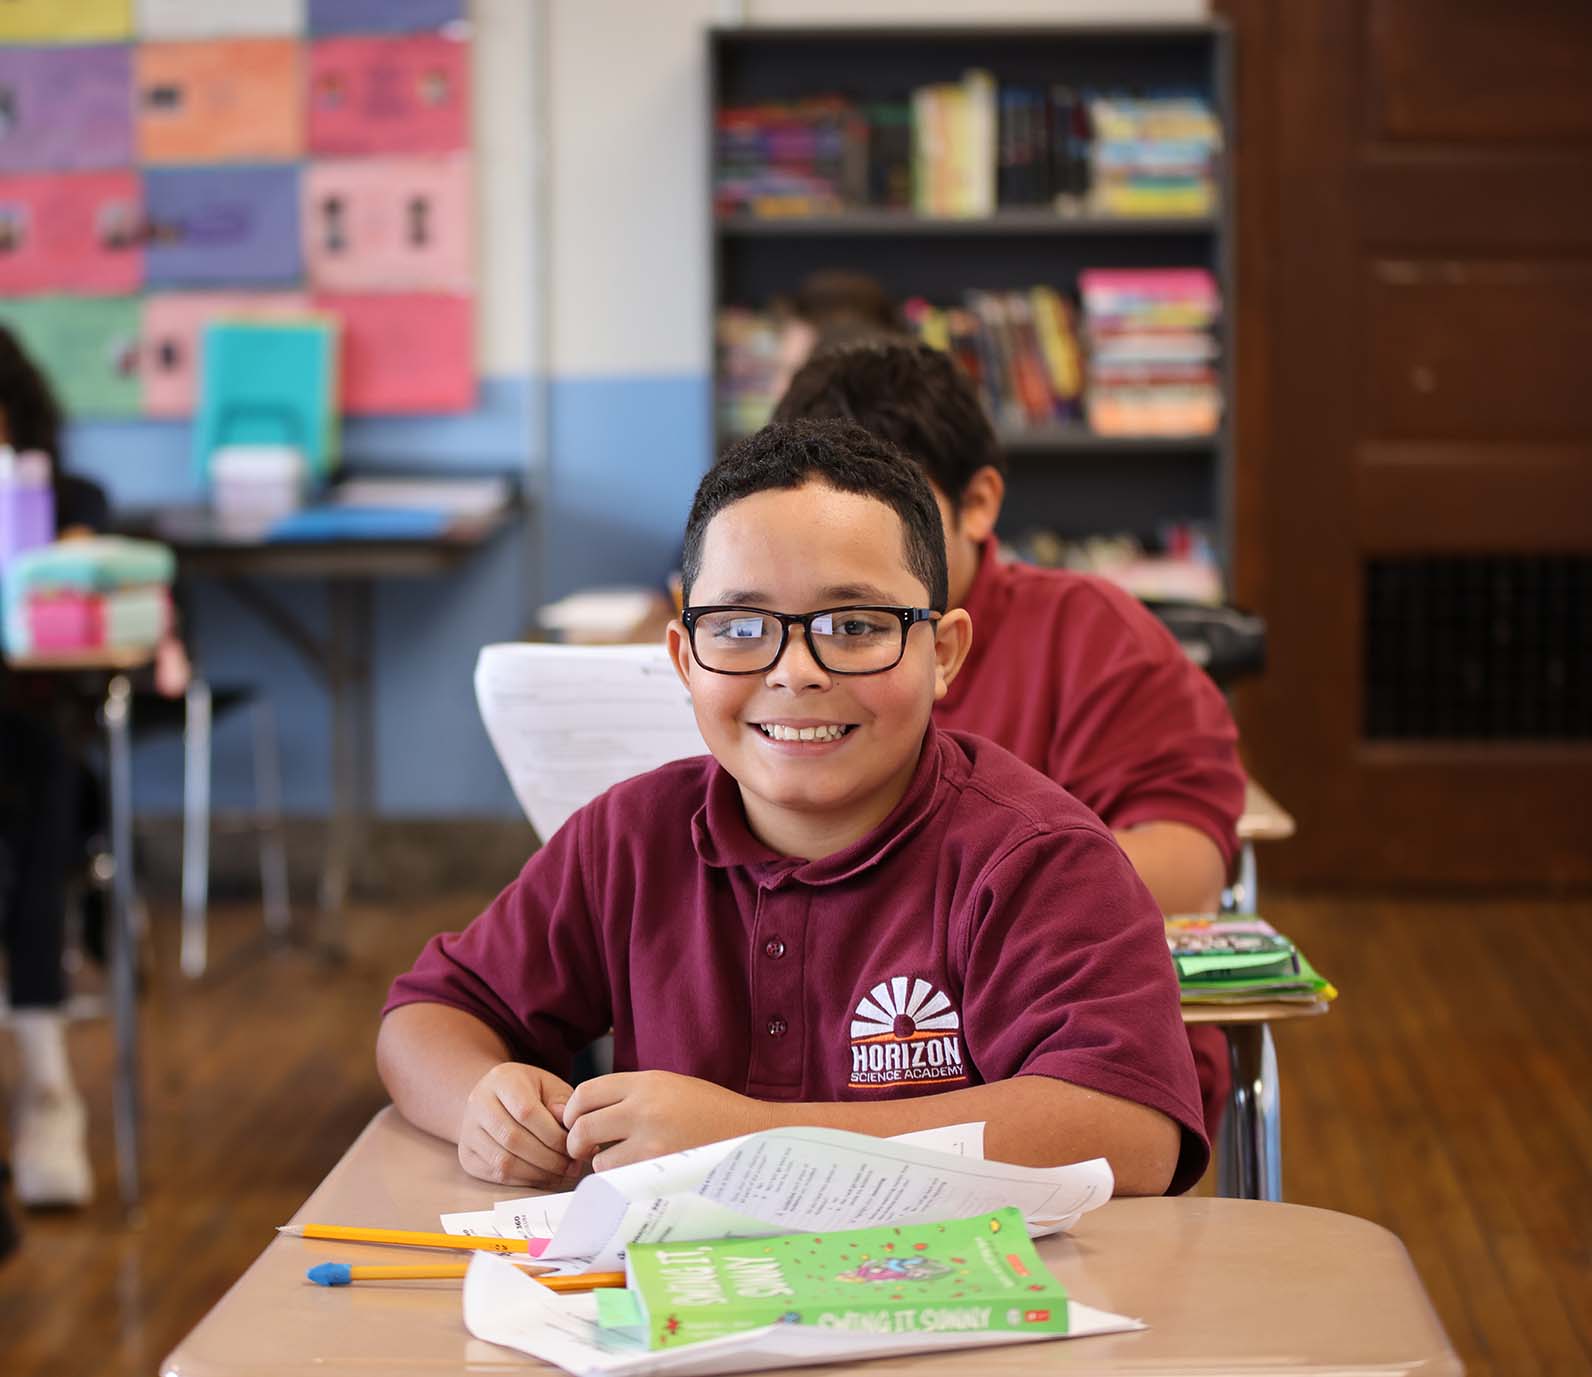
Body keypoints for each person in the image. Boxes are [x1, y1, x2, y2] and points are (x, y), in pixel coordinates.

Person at [380, 419, 1208, 1197]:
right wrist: (482, 1103)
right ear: (683, 656)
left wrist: (754, 1139)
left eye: (854, 624)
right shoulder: (626, 839)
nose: (796, 670)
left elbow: (1128, 1131)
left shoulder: (1037, 857)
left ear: (944, 651)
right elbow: (426, 1017)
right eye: (740, 627)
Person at [772, 339, 1246, 1136]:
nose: (843, 552)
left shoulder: (1094, 636)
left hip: (1057, 1071)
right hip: (809, 1054)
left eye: (892, 509)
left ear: (980, 502)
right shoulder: (772, 671)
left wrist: (899, 917)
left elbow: (1186, 869)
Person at [0, 325, 187, 1210]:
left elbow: (95, 651)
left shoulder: (68, 501)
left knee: (30, 805)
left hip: (38, 751)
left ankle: (44, 1085)